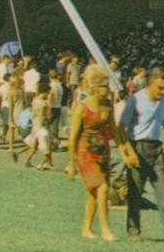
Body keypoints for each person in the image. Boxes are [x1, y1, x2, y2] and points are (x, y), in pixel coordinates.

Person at [119, 67, 164, 244]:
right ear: (150, 84)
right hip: (137, 147)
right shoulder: (135, 100)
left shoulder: (163, 99)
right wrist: (129, 152)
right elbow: (120, 128)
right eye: (160, 88)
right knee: (135, 193)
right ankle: (133, 231)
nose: (163, 92)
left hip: (157, 148)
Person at [67, 64, 136, 241]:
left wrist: (124, 155)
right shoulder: (82, 108)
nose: (107, 89)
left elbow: (114, 131)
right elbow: (73, 137)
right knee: (103, 189)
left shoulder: (108, 105)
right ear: (93, 87)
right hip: (85, 152)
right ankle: (106, 230)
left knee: (93, 193)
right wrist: (71, 164)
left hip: (102, 151)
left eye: (107, 85)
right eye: (103, 85)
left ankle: (86, 229)